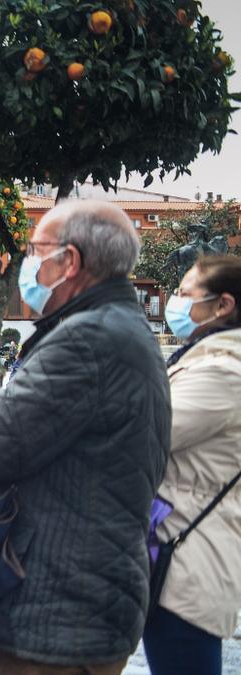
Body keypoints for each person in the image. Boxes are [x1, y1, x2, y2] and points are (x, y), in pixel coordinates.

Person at [0, 201, 170, 674]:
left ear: (70, 262)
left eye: (37, 250)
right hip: (76, 606)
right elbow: (31, 429)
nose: (29, 263)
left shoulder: (88, 339)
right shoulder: (111, 329)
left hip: (62, 618)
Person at [142, 254, 241, 675]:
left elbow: (144, 432)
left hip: (190, 561)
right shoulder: (201, 357)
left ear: (223, 305)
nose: (176, 302)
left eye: (185, 294)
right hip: (174, 550)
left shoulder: (225, 372)